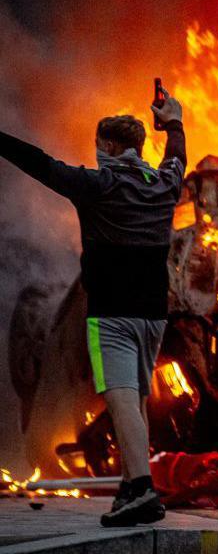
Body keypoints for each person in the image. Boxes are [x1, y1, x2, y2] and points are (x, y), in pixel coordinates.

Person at [0, 95, 187, 526]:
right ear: (139, 148)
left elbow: (40, 163)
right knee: (136, 399)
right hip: (153, 315)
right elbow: (177, 155)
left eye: (98, 145)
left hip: (113, 315)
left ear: (108, 145)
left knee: (120, 399)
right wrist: (173, 123)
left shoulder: (96, 185)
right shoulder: (165, 184)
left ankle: (141, 490)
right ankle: (130, 488)